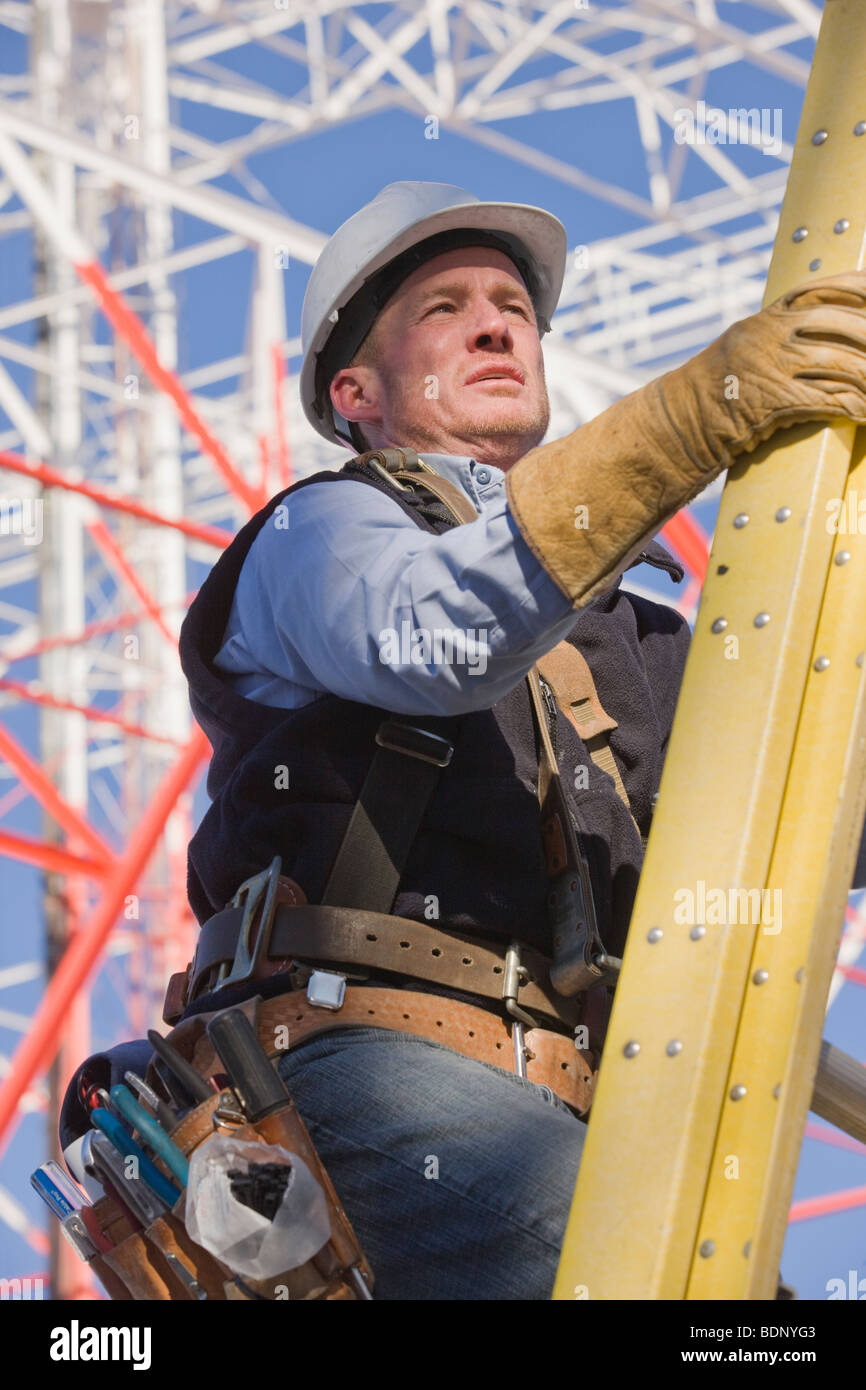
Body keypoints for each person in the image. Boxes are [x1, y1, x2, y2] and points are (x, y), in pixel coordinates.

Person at [61, 182, 866, 1300]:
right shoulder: (317, 532)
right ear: (356, 391)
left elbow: (811, 813)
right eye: (445, 306)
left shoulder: (631, 638)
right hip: (354, 1066)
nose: (497, 322)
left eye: (512, 305)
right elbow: (437, 632)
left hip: (569, 1104)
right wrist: (695, 417)